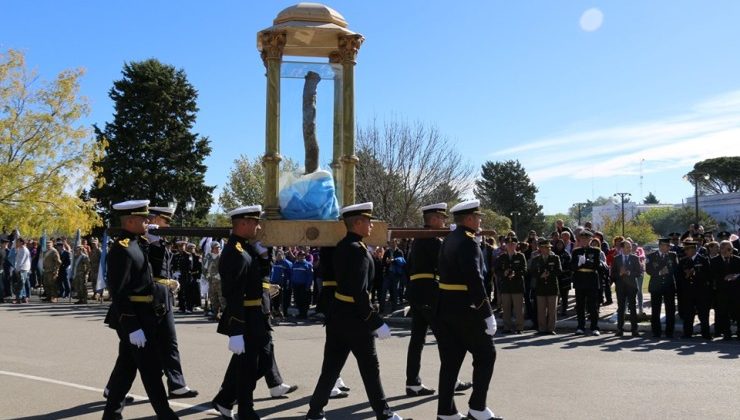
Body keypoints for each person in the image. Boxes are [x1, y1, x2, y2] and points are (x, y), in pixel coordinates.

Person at [306, 202, 404, 420]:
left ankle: (314, 412)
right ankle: (384, 413)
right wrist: (375, 321)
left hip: (338, 315)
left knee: (331, 367)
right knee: (370, 367)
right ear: (358, 222)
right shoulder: (356, 251)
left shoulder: (345, 246)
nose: (371, 225)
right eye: (368, 220)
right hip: (355, 318)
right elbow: (359, 292)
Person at [212, 205, 296, 420]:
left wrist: (263, 255)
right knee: (248, 366)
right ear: (243, 224)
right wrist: (236, 330)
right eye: (255, 222)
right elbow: (234, 294)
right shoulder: (234, 252)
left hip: (258, 315)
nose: (258, 226)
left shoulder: (246, 249)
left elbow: (260, 277)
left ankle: (224, 399)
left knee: (264, 363)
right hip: (246, 317)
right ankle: (245, 411)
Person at [101, 200, 177, 420]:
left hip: (145, 315)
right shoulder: (121, 249)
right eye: (143, 218)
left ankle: (111, 415)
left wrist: (155, 245)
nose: (148, 221)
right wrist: (133, 326)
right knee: (151, 371)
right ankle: (166, 415)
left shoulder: (139, 244)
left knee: (126, 368)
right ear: (131, 220)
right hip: (133, 318)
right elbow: (119, 291)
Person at [435, 199, 502, 420]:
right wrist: (487, 313)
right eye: (479, 217)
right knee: (486, 354)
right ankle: (477, 408)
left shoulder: (450, 239)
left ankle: (446, 411)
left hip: (446, 308)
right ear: (470, 219)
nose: (481, 221)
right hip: (466, 309)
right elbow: (474, 279)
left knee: (451, 361)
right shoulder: (468, 241)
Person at [405, 203, 445, 396]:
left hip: (416, 292)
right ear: (434, 219)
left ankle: (413, 382)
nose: (444, 221)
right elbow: (444, 266)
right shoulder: (434, 240)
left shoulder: (417, 239)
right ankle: (451, 380)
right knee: (445, 337)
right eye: (442, 218)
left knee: (417, 339)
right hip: (429, 292)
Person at [676, 240, 712, 339]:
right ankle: (687, 333)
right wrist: (686, 275)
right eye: (685, 249)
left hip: (701, 291)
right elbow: (678, 276)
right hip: (688, 292)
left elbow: (708, 275)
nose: (686, 251)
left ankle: (706, 334)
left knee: (703, 314)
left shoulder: (703, 260)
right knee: (688, 314)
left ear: (693, 249)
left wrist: (695, 273)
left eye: (687, 249)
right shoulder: (683, 261)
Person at [645, 238, 678, 339]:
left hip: (669, 286)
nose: (668, 248)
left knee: (670, 310)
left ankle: (669, 332)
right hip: (656, 286)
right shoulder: (651, 256)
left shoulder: (672, 255)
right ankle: (656, 331)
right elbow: (648, 270)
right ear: (661, 246)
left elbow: (676, 268)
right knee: (656, 310)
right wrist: (659, 273)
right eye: (666, 246)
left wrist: (669, 271)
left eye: (669, 246)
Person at [570, 230, 602, 336]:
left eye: (586, 239)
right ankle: (580, 326)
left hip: (591, 280)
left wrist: (587, 262)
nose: (584, 241)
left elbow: (597, 266)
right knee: (580, 305)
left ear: (590, 239)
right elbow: (572, 267)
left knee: (593, 305)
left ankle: (594, 327)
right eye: (582, 239)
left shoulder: (596, 251)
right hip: (580, 280)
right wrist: (579, 264)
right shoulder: (576, 251)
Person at [494, 237, 526, 334]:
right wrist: (504, 273)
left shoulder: (520, 256)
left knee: (518, 309)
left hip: (517, 286)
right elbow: (497, 270)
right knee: (506, 308)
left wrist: (515, 273)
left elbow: (524, 270)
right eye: (508, 244)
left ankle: (519, 327)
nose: (511, 246)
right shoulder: (501, 257)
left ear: (516, 245)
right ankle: (507, 327)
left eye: (513, 244)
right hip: (506, 286)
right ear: (506, 245)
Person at [709, 240, 740, 340]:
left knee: (737, 312)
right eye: (727, 249)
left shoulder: (737, 259)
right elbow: (712, 275)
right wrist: (724, 277)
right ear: (721, 249)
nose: (729, 251)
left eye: (731, 249)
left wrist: (736, 276)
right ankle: (727, 333)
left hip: (735, 292)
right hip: (721, 292)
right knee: (724, 313)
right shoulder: (714, 261)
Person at [610, 241, 641, 337]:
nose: (629, 249)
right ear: (622, 248)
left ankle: (634, 329)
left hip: (631, 287)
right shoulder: (616, 259)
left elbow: (638, 272)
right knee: (621, 308)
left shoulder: (635, 258)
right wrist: (619, 273)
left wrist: (628, 273)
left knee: (632, 308)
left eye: (630, 247)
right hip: (620, 287)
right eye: (627, 247)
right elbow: (612, 275)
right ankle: (620, 329)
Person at [530, 238, 561, 334]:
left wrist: (549, 274)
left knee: (552, 310)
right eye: (544, 248)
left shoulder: (555, 258)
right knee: (541, 309)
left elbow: (559, 271)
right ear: (540, 248)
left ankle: (551, 328)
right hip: (540, 287)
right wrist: (540, 276)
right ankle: (542, 328)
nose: (547, 249)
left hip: (552, 287)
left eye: (548, 247)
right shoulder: (536, 259)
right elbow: (532, 272)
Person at [204, 241, 224, 320]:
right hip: (211, 282)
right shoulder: (209, 257)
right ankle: (215, 314)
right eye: (216, 248)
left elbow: (226, 268)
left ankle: (225, 316)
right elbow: (205, 268)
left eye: (218, 248)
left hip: (220, 282)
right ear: (212, 249)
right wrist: (206, 275)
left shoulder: (222, 257)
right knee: (213, 299)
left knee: (222, 299)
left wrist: (221, 275)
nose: (218, 249)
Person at [291, 251, 314, 319]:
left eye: (303, 255)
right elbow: (292, 275)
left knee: (304, 301)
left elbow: (310, 277)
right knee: (298, 300)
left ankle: (304, 314)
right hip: (296, 285)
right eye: (300, 255)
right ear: (297, 256)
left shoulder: (308, 265)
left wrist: (308, 286)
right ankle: (300, 313)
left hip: (304, 286)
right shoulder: (294, 264)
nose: (301, 256)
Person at [270, 250, 292, 317]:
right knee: (275, 299)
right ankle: (276, 312)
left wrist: (288, 284)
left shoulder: (288, 263)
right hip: (274, 284)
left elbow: (290, 275)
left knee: (283, 300)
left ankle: (284, 313)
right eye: (277, 255)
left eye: (280, 255)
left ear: (283, 255)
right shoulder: (274, 263)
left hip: (283, 284)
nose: (279, 257)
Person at [553, 239, 571, 316]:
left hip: (565, 278)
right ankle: (554, 310)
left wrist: (563, 271)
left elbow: (569, 266)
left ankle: (564, 310)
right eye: (558, 244)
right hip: (555, 278)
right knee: (555, 295)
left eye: (561, 244)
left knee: (564, 296)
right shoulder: (553, 254)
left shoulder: (566, 254)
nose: (559, 246)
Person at [12, 238, 31, 304]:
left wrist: (17, 269)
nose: (16, 243)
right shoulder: (20, 249)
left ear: (21, 242)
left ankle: (19, 298)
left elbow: (21, 261)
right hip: (21, 268)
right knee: (22, 284)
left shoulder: (24, 250)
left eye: (18, 242)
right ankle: (24, 297)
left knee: (21, 284)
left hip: (22, 268)